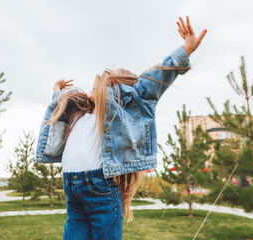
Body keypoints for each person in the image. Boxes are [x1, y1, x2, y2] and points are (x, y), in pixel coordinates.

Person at [35, 16, 207, 240]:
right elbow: (60, 104)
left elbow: (153, 80)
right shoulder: (79, 112)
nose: (94, 87)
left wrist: (186, 50)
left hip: (101, 192)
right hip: (73, 190)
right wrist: (56, 91)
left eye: (101, 85)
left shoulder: (121, 110)